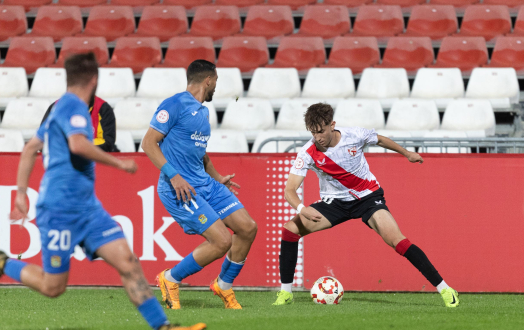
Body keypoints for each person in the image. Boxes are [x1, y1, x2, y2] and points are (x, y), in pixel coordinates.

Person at [0, 53, 206, 330]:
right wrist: (118, 163)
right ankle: (1, 263)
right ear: (94, 80)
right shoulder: (74, 107)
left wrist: (22, 194)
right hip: (60, 210)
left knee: (129, 264)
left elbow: (28, 149)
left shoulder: (60, 107)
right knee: (53, 286)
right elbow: (77, 145)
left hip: (88, 209)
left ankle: (164, 327)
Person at [272, 103, 460, 308]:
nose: (318, 137)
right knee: (290, 230)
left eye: (321, 131)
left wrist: (406, 153)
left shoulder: (354, 135)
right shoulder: (308, 152)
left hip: (367, 197)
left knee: (397, 240)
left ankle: (445, 288)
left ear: (332, 125)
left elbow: (379, 139)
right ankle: (286, 293)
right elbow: (289, 190)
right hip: (334, 203)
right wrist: (302, 209)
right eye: (313, 133)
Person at [141, 59, 257, 310]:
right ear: (209, 80)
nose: (216, 86)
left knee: (247, 228)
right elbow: (148, 143)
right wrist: (174, 175)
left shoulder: (203, 111)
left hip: (205, 183)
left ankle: (223, 285)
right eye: (216, 81)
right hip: (179, 188)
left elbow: (201, 153)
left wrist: (218, 178)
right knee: (222, 241)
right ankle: (169, 278)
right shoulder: (173, 104)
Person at [42, 95, 118, 152]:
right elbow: (44, 140)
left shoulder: (102, 108)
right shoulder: (56, 107)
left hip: (94, 161)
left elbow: (107, 143)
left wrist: (77, 145)